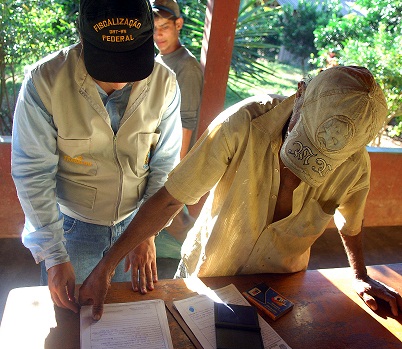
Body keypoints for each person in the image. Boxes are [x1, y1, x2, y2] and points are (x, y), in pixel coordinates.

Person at [79, 65, 402, 321]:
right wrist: (106, 267)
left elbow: (351, 223)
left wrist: (360, 275)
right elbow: (172, 198)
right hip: (209, 272)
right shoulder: (242, 123)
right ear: (300, 92)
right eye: (303, 141)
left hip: (282, 284)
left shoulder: (355, 164)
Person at [11, 0, 182, 314]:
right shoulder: (46, 82)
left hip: (135, 222)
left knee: (125, 319)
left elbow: (165, 165)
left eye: (129, 65)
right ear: (82, 38)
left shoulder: (165, 83)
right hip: (72, 230)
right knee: (70, 322)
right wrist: (54, 256)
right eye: (106, 66)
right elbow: (32, 174)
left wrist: (146, 231)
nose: (118, 82)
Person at [151, 0, 203, 273]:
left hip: (173, 157)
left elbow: (187, 120)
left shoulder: (186, 66)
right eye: (154, 28)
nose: (158, 35)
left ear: (178, 25)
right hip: (155, 153)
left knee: (175, 216)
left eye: (164, 27)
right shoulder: (159, 59)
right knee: (167, 215)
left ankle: (202, 262)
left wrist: (177, 170)